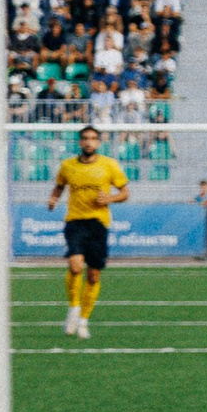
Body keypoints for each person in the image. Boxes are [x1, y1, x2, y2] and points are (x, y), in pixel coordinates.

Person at [48, 124, 128, 338]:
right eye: (85, 138)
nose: (88, 142)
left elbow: (125, 193)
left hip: (98, 224)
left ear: (98, 142)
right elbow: (60, 185)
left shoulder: (109, 165)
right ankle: (73, 309)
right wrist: (54, 198)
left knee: (93, 275)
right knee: (75, 266)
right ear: (80, 142)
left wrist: (110, 198)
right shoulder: (67, 165)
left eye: (93, 138)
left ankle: (83, 320)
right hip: (75, 221)